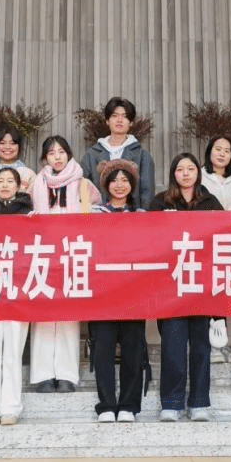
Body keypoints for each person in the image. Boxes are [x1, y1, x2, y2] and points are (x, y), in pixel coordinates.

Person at [149, 153, 222, 422]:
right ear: (173, 174)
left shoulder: (210, 202)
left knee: (201, 347)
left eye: (191, 168)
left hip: (202, 285)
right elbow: (148, 239)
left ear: (198, 173)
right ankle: (171, 403)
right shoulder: (160, 202)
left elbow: (224, 236)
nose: (186, 173)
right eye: (180, 169)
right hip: (171, 286)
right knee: (173, 346)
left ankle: (199, 402)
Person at [27, 135, 101, 393]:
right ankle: (42, 374)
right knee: (43, 315)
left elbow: (95, 217)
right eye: (51, 153)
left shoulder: (84, 185)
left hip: (72, 255)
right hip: (44, 255)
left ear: (69, 155)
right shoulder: (35, 184)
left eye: (61, 152)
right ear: (44, 158)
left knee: (69, 315)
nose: (57, 157)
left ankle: (67, 374)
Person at [89, 159, 148, 423]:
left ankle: (128, 405)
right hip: (102, 292)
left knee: (133, 349)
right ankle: (106, 405)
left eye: (125, 180)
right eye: (114, 180)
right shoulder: (94, 214)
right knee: (102, 349)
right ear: (106, 184)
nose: (119, 185)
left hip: (134, 292)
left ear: (132, 184)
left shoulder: (142, 216)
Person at [0, 167, 33, 426]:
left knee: (13, 351)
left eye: (10, 181)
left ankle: (11, 407)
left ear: (19, 185)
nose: (4, 185)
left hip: (17, 290)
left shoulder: (29, 213)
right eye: (0, 180)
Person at [200, 135, 231, 365]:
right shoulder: (199, 176)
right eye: (218, 149)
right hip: (206, 242)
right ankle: (210, 343)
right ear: (209, 151)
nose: (222, 154)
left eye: (227, 151)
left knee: (230, 291)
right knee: (209, 292)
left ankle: (228, 342)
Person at [80, 96, 155, 209]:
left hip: (133, 215)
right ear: (107, 121)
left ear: (131, 122)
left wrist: (143, 214)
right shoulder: (91, 154)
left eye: (124, 116)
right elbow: (83, 188)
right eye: (114, 116)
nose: (119, 120)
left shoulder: (142, 155)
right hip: (98, 215)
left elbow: (147, 192)